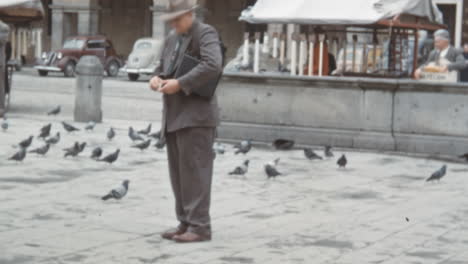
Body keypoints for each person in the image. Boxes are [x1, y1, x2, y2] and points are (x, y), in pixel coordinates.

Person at [149, 0, 222, 243]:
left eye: (178, 19)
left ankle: (200, 226)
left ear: (190, 14)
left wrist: (180, 84)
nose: (174, 24)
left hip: (196, 117)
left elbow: (213, 64)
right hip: (174, 115)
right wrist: (156, 78)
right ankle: (185, 222)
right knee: (179, 173)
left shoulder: (205, 33)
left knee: (196, 172)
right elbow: (163, 67)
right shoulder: (172, 38)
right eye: (171, 20)